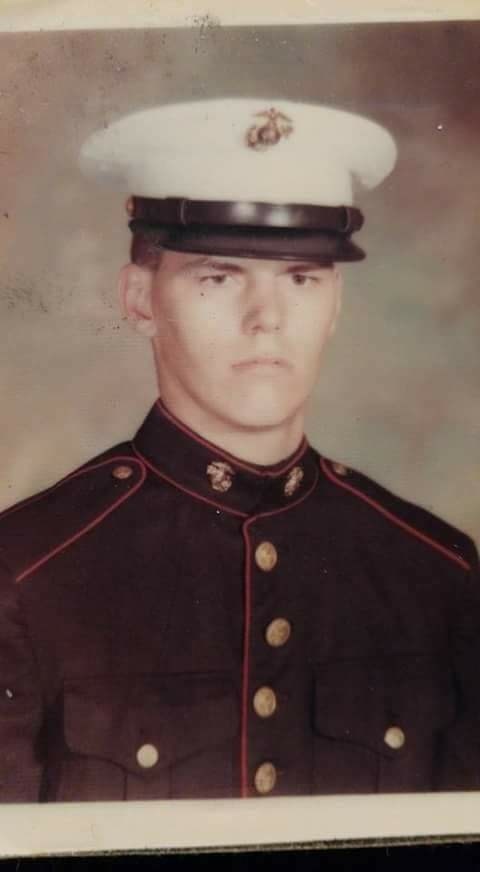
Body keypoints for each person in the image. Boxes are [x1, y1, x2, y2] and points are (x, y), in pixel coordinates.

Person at [0, 98, 479, 803]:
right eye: (218, 277)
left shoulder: (439, 574)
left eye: (300, 278)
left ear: (336, 304)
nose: (266, 319)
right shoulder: (24, 573)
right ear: (140, 300)